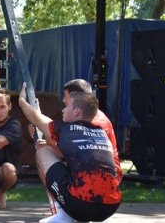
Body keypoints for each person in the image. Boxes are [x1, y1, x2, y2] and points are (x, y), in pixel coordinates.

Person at [18, 82, 122, 223]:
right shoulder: (99, 131)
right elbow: (75, 154)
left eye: (67, 106)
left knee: (43, 152)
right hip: (111, 206)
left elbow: (34, 117)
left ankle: (64, 216)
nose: (63, 110)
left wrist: (21, 100)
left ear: (77, 111)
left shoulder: (66, 129)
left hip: (81, 203)